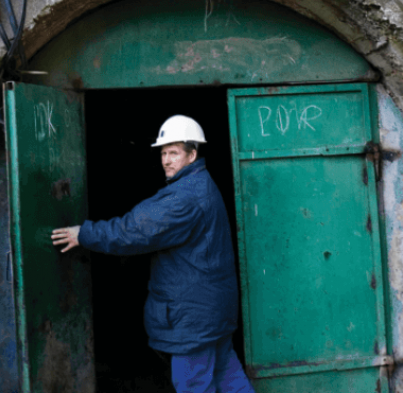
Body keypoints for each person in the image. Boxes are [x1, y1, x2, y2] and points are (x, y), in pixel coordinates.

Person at [51, 115, 256, 393]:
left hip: (193, 321)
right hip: (212, 313)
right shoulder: (202, 183)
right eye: (163, 152)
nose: (166, 160)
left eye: (174, 153)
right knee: (228, 379)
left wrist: (84, 234)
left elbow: (132, 232)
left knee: (194, 385)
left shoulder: (183, 198)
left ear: (192, 154)